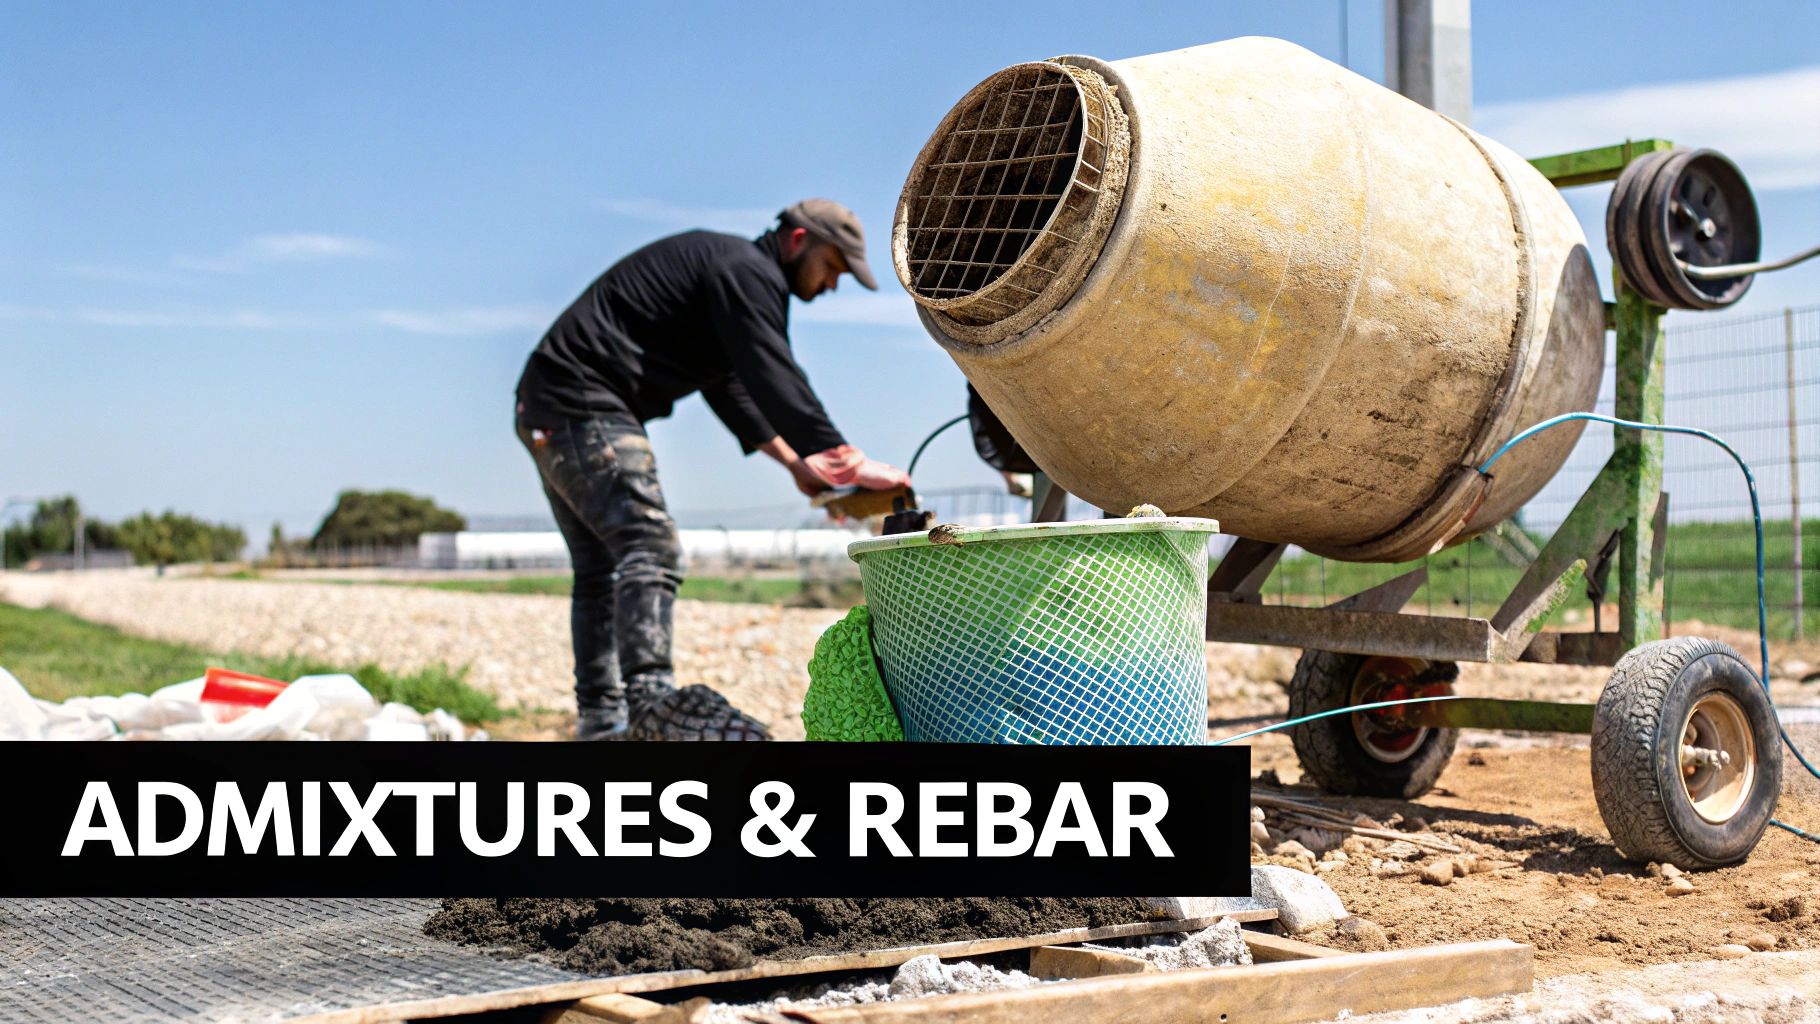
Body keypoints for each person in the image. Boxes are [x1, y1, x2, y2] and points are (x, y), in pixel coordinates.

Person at [515, 199, 911, 741]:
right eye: (833, 267)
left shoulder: (727, 278)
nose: (833, 285)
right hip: (582, 402)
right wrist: (844, 458)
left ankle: (601, 723)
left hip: (546, 404)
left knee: (600, 568)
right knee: (649, 547)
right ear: (798, 241)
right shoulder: (745, 271)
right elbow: (771, 370)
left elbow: (730, 385)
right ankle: (650, 706)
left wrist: (796, 464)